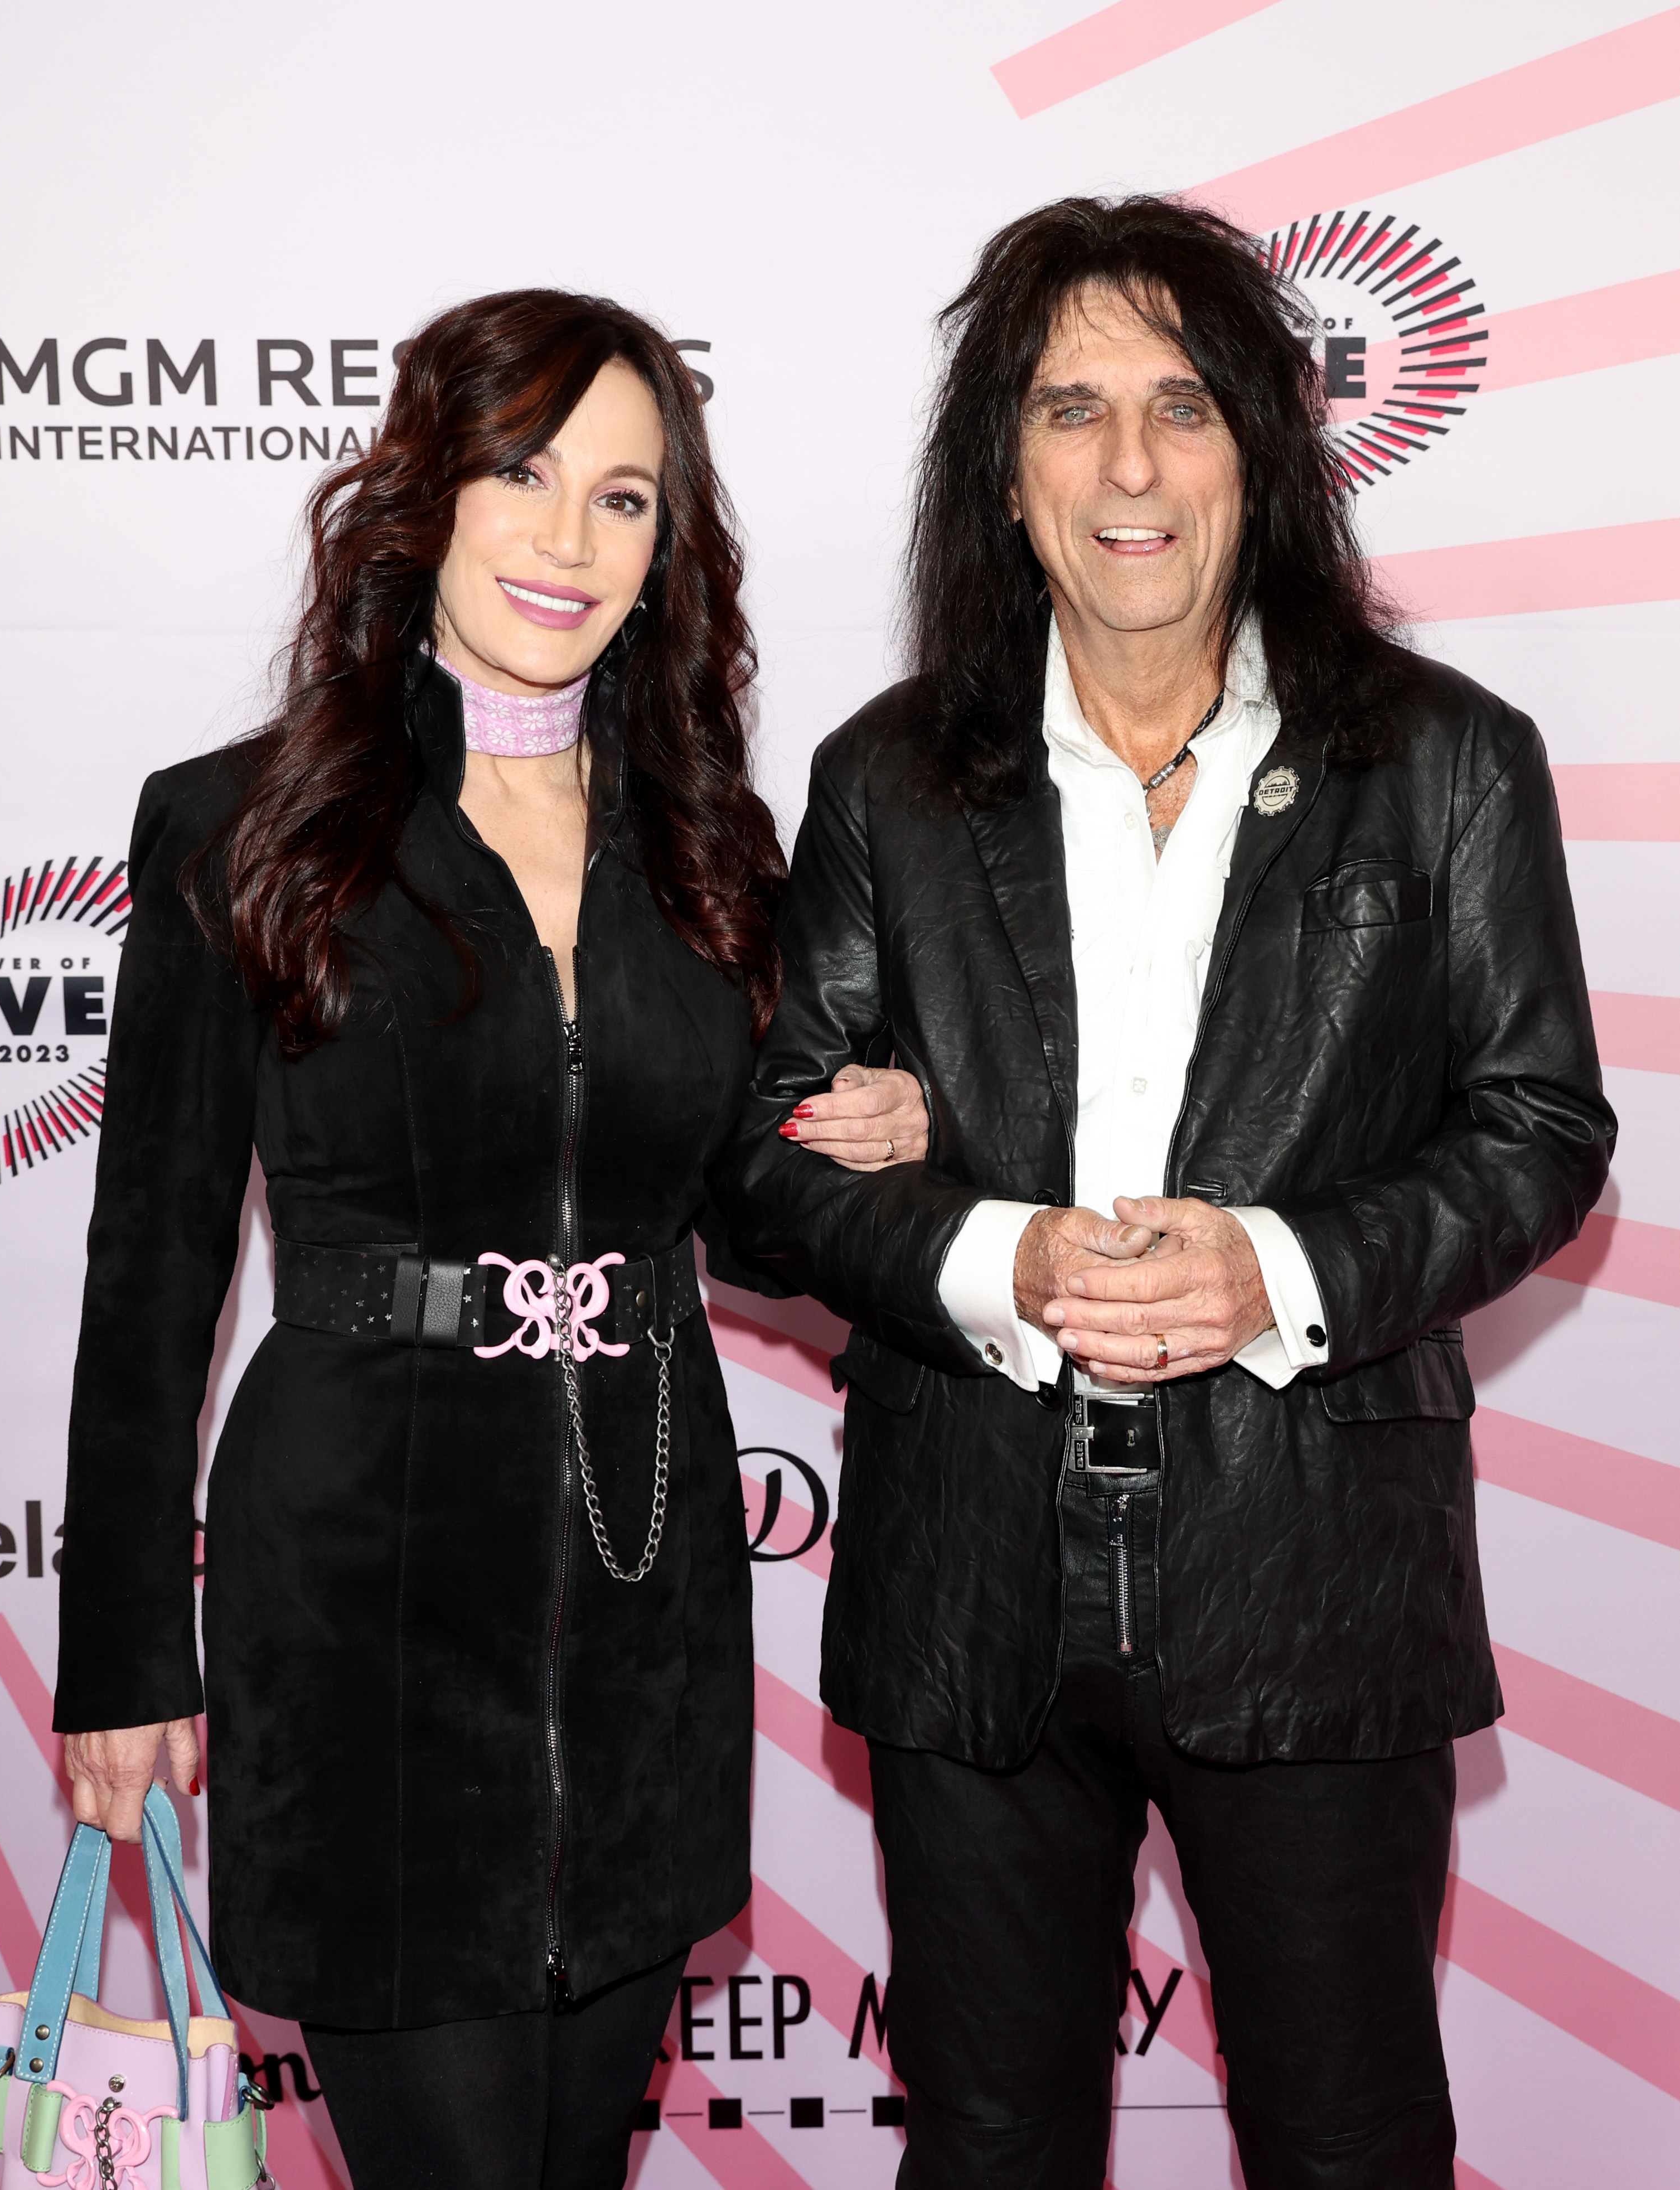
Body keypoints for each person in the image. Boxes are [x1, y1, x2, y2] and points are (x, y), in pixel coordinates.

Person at [719, 197, 1613, 2189]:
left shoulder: (1450, 762)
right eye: (1069, 410)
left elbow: (1541, 1130)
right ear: (1003, 470)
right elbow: (769, 1168)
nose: (1128, 466)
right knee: (988, 2142)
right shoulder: (886, 781)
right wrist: (993, 1250)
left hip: (1315, 1583)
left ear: (1260, 454)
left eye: (1182, 407)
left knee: (1349, 2140)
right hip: (970, 1592)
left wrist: (1270, 1265)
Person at [51, 289, 929, 2190]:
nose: (565, 539)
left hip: (644, 1608)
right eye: (521, 474)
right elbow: (151, 1280)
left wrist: (855, 1139)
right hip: (357, 1603)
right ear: (424, 495)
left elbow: (739, 1224)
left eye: (623, 500)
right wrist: (122, 1650)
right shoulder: (244, 827)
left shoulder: (708, 843)